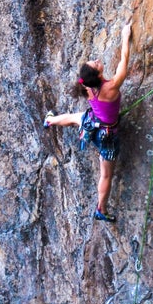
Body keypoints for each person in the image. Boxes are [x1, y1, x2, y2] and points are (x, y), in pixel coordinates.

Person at [44, 21, 131, 222]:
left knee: (77, 118)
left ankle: (50, 121)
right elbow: (123, 61)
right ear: (99, 74)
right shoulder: (110, 87)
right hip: (107, 135)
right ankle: (101, 209)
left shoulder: (88, 87)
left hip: (93, 123)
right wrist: (125, 36)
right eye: (96, 63)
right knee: (106, 176)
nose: (98, 59)